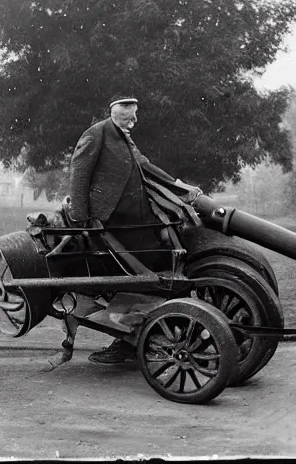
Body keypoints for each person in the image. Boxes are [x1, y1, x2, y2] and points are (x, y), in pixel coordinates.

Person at [68, 94, 202, 364]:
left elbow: (146, 167)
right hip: (111, 223)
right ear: (116, 112)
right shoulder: (96, 134)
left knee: (161, 267)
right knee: (135, 274)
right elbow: (79, 175)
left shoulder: (125, 138)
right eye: (130, 115)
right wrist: (82, 219)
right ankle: (128, 340)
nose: (135, 120)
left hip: (138, 221)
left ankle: (149, 333)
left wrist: (182, 187)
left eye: (135, 115)